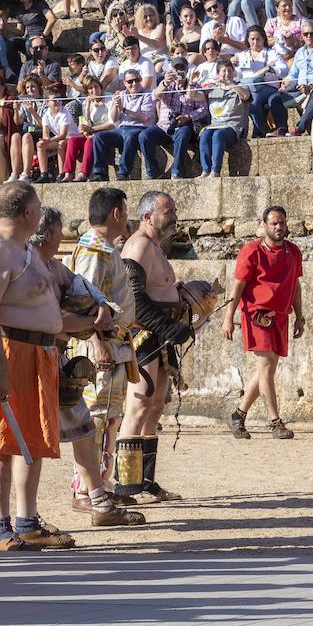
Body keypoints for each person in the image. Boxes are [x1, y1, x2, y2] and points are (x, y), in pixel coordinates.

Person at [0, 181, 75, 551]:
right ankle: (0, 526)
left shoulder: (22, 248)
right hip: (8, 350)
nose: (42, 212)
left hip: (37, 353)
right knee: (1, 439)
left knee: (32, 437)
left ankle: (27, 520)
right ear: (28, 212)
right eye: (39, 207)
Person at [32, 207, 141, 529]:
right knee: (82, 421)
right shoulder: (40, 265)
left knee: (94, 423)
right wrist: (95, 334)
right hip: (57, 352)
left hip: (83, 348)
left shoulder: (60, 264)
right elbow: (64, 309)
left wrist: (101, 311)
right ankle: (71, 497)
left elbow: (88, 294)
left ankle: (99, 493)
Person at [118, 191, 209, 503]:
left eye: (174, 209)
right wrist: (168, 326)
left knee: (154, 407)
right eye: (167, 211)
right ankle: (125, 486)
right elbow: (132, 297)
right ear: (147, 217)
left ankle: (145, 482)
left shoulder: (154, 246)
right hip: (144, 337)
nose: (173, 215)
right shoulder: (139, 246)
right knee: (138, 405)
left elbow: (158, 290)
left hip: (160, 336)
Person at [65, 188, 138, 506]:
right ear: (117, 213)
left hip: (111, 345)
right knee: (96, 418)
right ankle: (87, 489)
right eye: (125, 210)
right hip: (101, 348)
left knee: (106, 418)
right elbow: (84, 299)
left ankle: (99, 485)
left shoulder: (102, 247)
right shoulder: (95, 250)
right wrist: (97, 342)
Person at [224, 206, 304, 441]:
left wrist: (300, 315)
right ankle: (274, 421)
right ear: (264, 225)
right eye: (274, 223)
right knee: (267, 366)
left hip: (281, 316)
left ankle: (238, 415)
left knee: (265, 370)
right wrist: (229, 317)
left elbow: (295, 285)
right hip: (256, 315)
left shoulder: (293, 252)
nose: (279, 227)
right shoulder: (251, 252)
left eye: (281, 223)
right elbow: (237, 287)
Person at [90, 70, 155, 181]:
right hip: (121, 128)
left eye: (137, 80)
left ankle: (123, 172)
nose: (134, 84)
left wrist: (124, 109)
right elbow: (115, 119)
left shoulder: (147, 94)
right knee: (99, 137)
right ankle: (100, 172)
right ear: (125, 83)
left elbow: (145, 117)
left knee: (130, 137)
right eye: (130, 81)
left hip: (140, 128)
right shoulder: (122, 95)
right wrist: (116, 105)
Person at [151, 59, 209, 178]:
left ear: (187, 70)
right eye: (176, 69)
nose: (179, 72)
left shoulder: (194, 85)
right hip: (164, 125)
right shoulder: (166, 84)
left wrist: (188, 117)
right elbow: (154, 96)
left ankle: (176, 171)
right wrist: (165, 83)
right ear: (171, 70)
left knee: (183, 133)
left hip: (183, 125)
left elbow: (203, 109)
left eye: (181, 69)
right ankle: (152, 172)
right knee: (144, 136)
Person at [198, 59, 250, 178]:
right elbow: (193, 96)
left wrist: (231, 84)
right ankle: (205, 170)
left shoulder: (241, 86)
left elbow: (246, 96)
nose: (227, 73)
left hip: (233, 127)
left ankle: (215, 171)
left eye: (229, 70)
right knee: (205, 135)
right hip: (215, 125)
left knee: (218, 135)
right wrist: (191, 82)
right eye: (223, 71)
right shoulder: (212, 90)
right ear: (217, 74)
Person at [237, 26, 289, 137]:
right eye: (252, 39)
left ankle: (264, 130)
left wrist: (270, 69)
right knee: (250, 99)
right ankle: (262, 130)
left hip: (268, 87)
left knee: (255, 101)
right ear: (248, 40)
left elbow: (284, 70)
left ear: (264, 39)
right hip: (248, 87)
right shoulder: (242, 55)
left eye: (258, 39)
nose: (255, 42)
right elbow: (236, 75)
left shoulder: (272, 53)